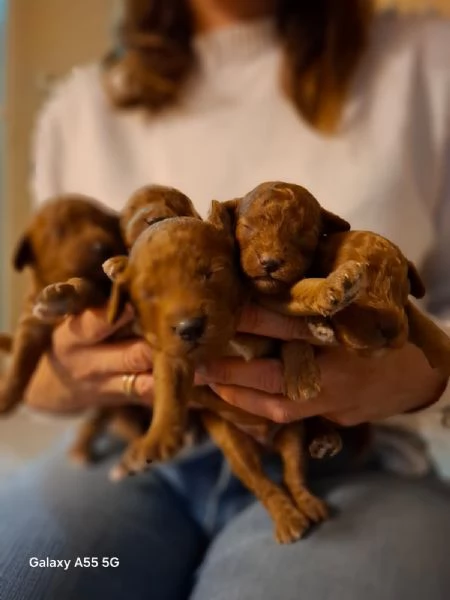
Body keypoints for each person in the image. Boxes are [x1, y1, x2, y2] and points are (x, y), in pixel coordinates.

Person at [1, 0, 450, 598]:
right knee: (29, 578)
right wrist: (48, 381)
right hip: (135, 451)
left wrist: (425, 378)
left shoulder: (429, 61)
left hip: (360, 461)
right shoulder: (78, 110)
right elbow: (45, 322)